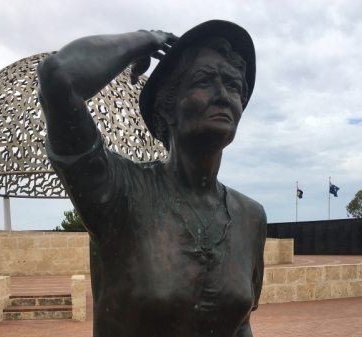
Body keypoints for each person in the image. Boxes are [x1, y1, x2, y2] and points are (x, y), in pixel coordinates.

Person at [37, 20, 267, 337]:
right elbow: (58, 77)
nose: (223, 95)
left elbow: (241, 322)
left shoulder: (250, 217)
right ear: (166, 108)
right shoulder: (119, 191)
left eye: (234, 86)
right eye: (204, 81)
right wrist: (147, 39)